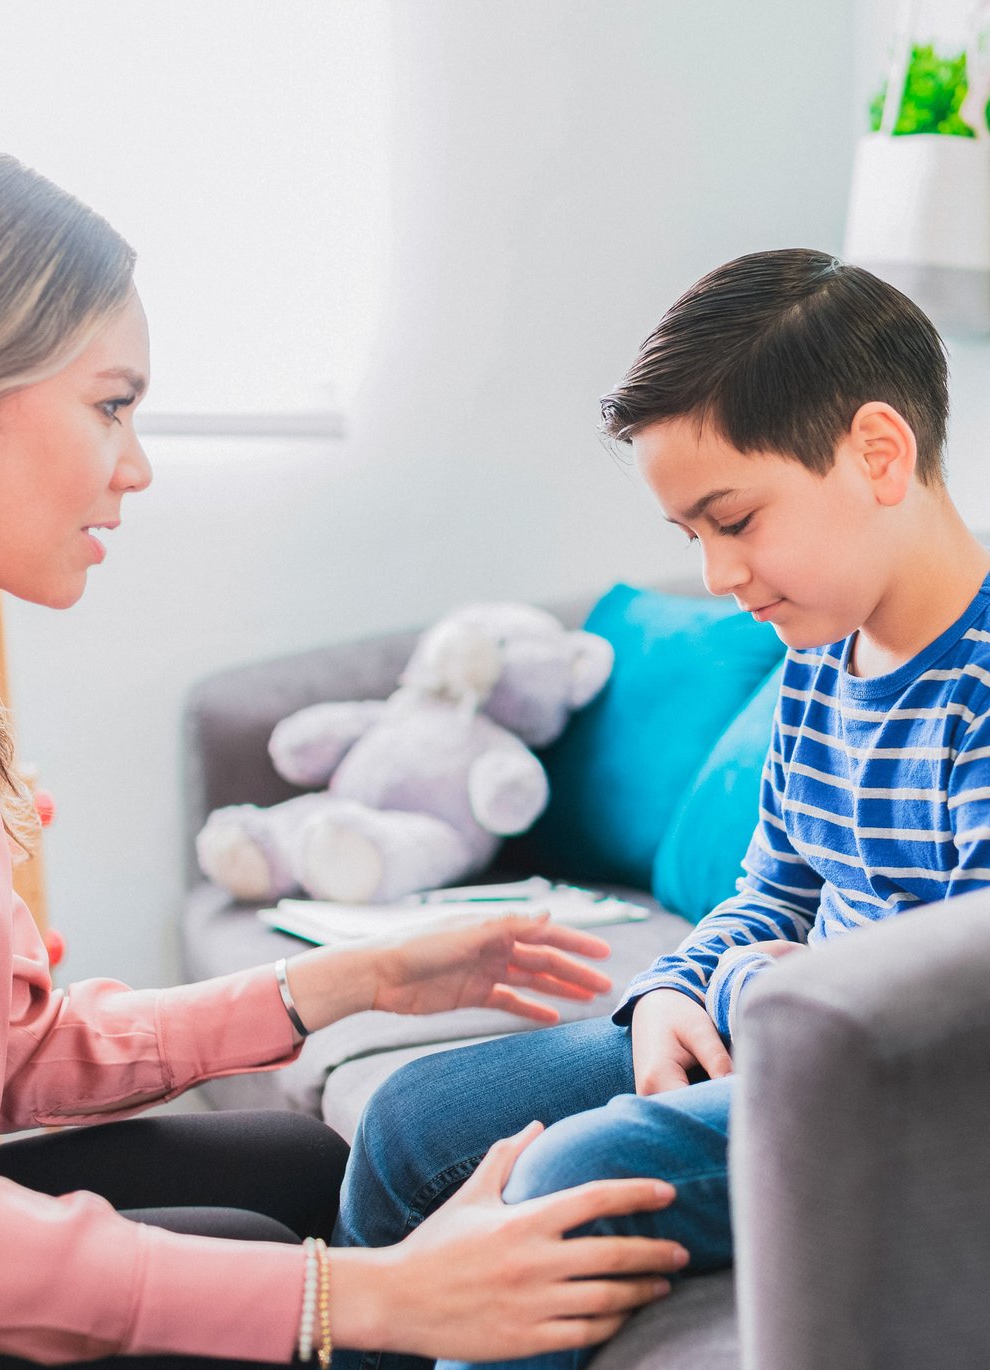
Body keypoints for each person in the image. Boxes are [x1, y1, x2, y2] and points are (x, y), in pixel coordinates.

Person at [0, 145, 690, 1370]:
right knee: (284, 1276)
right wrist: (361, 1298)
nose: (137, 464)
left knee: (310, 1167)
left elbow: (6, 1053)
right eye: (111, 404)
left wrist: (349, 980)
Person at [333, 246, 990, 1370]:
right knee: (410, 1121)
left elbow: (949, 1007)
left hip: (890, 1100)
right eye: (693, 537)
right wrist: (677, 987)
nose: (720, 576)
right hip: (773, 1029)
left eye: (735, 519)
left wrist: (743, 987)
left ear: (878, 452)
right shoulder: (820, 660)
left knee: (569, 1180)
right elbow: (773, 887)